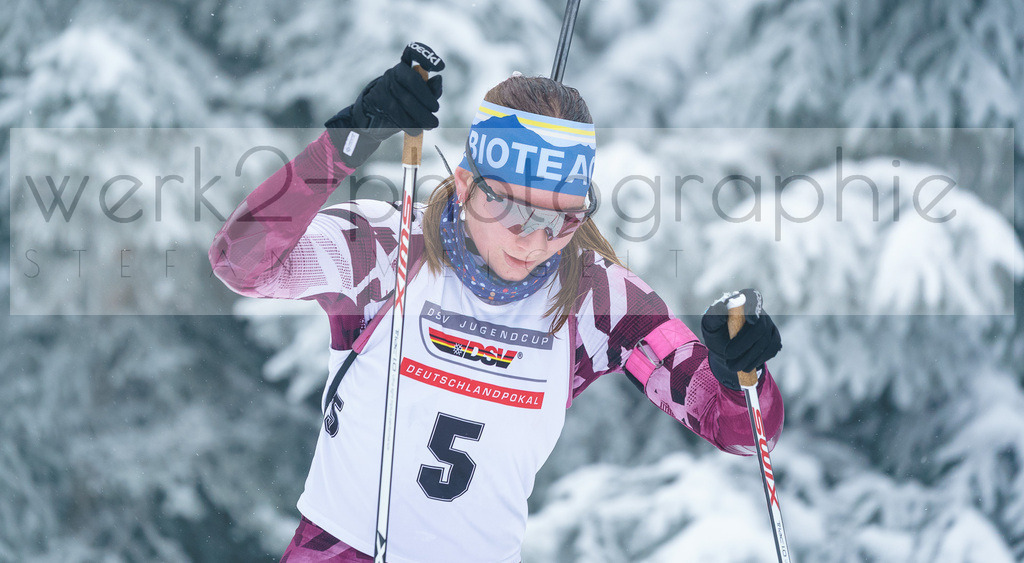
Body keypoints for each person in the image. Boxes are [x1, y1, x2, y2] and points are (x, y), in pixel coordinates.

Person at [209, 46, 784, 563]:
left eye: (562, 220)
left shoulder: (595, 297)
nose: (534, 240)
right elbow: (240, 263)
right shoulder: (387, 249)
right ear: (466, 185)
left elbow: (736, 430)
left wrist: (740, 372)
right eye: (513, 211)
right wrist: (344, 144)